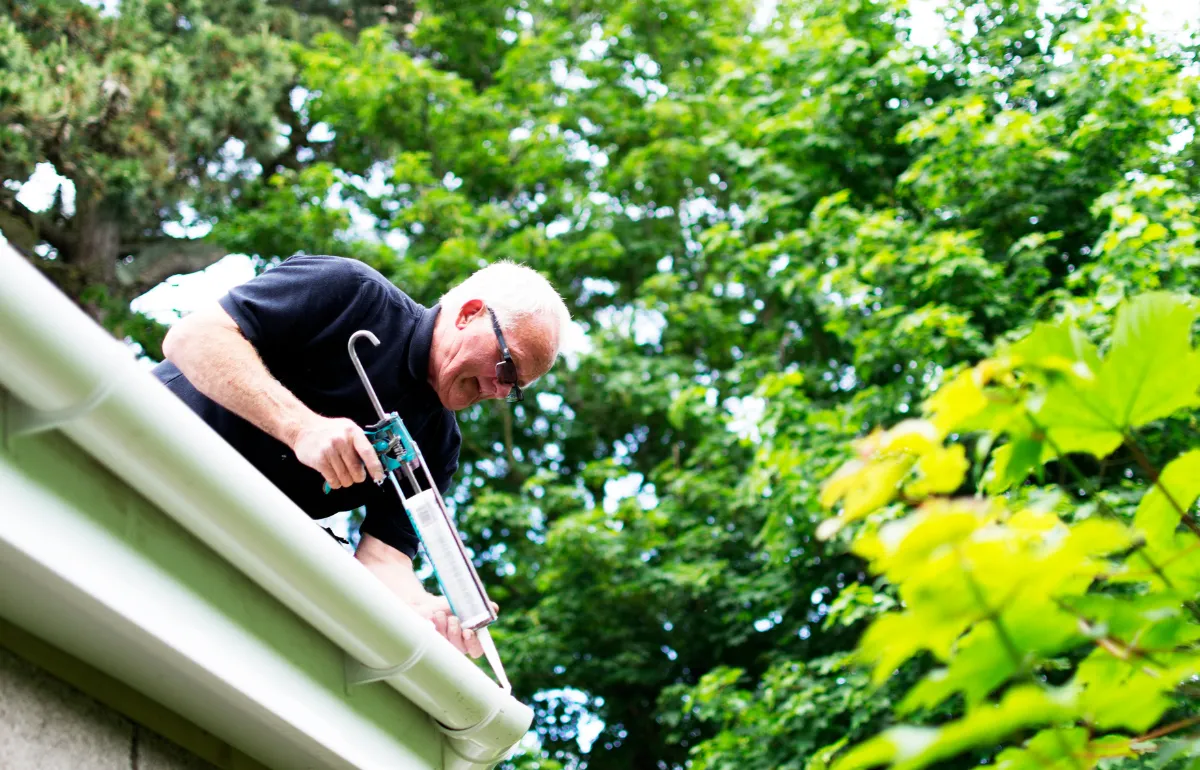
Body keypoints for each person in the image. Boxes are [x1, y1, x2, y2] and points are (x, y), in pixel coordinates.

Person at [154, 255, 570, 658]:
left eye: (514, 388)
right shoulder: (350, 291)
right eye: (507, 368)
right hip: (146, 454)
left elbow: (383, 557)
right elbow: (191, 338)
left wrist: (424, 608)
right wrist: (301, 427)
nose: (500, 392)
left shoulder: (438, 444)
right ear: (470, 314)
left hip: (220, 548)